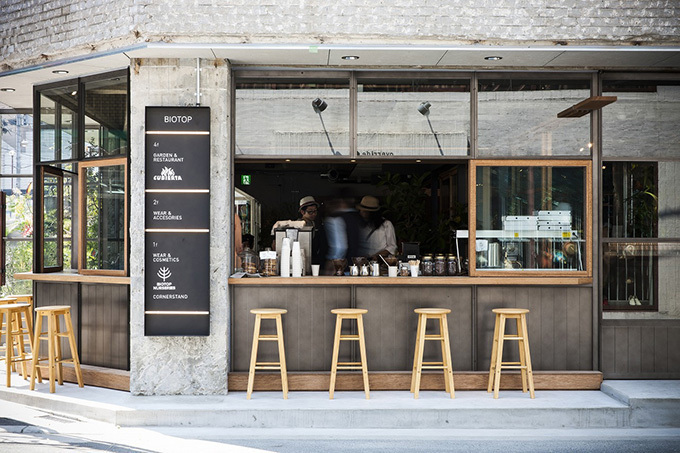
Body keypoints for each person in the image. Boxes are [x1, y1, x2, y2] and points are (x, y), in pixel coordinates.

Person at [325, 194, 368, 267]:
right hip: (358, 263)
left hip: (342, 265)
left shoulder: (336, 218)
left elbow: (340, 246)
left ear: (341, 202)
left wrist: (332, 262)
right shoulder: (359, 218)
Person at [297, 196, 328, 266]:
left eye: (315, 211)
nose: (314, 214)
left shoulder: (312, 223)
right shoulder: (300, 224)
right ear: (302, 212)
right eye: (310, 212)